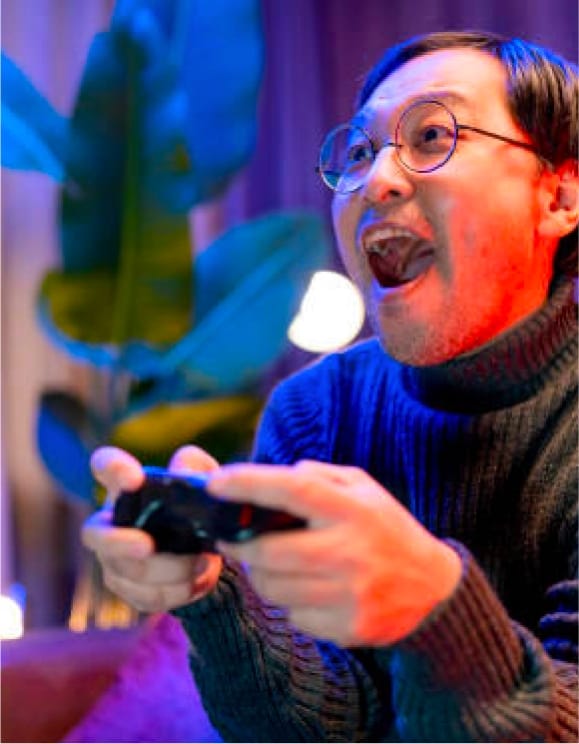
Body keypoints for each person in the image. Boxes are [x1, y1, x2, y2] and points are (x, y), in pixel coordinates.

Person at [82, 30, 578, 742]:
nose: (377, 180)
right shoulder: (315, 410)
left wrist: (435, 609)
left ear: (558, 195)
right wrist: (213, 596)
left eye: (431, 135)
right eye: (359, 152)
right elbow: (320, 725)